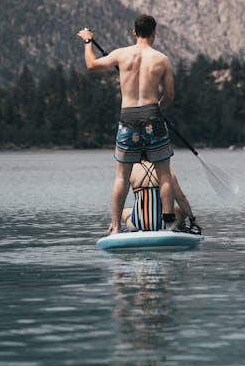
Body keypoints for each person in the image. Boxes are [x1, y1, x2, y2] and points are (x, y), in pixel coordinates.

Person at [77, 14, 177, 234]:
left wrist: (87, 41)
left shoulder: (121, 54)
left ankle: (114, 226)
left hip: (128, 117)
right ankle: (169, 225)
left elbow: (91, 65)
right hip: (153, 115)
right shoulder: (162, 59)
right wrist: (157, 107)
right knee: (164, 175)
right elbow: (169, 95)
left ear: (134, 32)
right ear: (154, 33)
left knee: (122, 175)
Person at [122, 159, 202, 234]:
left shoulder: (132, 170)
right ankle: (177, 225)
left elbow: (121, 196)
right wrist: (192, 219)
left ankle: (115, 225)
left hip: (136, 224)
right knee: (181, 209)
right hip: (164, 224)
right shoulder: (167, 172)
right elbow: (181, 199)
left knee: (125, 211)